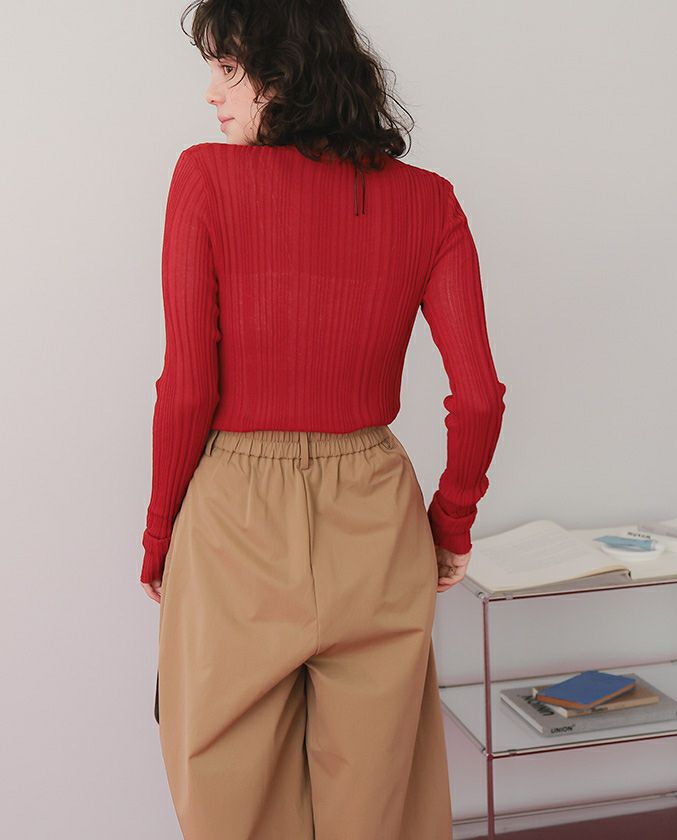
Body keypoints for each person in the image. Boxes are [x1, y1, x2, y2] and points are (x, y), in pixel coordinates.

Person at [139, 0, 507, 837]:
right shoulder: (430, 201)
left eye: (228, 69)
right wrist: (450, 524)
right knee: (378, 803)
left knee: (232, 803)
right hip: (375, 507)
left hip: (235, 513)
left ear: (284, 71)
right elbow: (480, 396)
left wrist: (160, 535)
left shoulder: (204, 178)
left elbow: (187, 389)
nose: (211, 93)